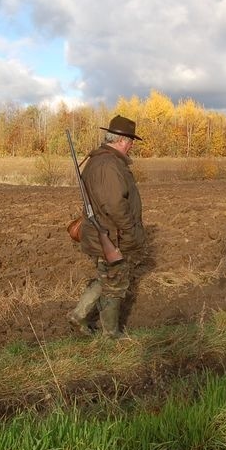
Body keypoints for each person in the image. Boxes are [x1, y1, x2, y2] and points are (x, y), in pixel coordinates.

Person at [68, 115, 145, 339]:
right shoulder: (108, 164)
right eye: (131, 141)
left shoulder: (102, 161)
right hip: (114, 236)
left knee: (107, 279)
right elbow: (114, 205)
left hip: (107, 233)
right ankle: (112, 335)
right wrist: (132, 230)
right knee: (115, 286)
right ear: (121, 140)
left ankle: (79, 315)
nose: (132, 146)